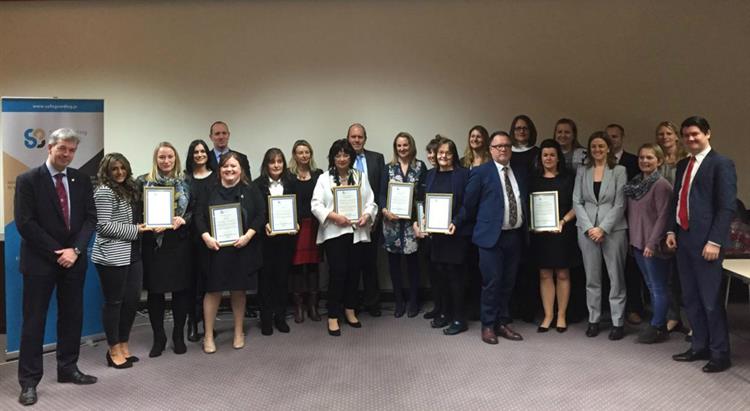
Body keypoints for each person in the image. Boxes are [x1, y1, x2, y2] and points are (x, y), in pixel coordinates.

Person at [15, 128, 97, 406]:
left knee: (72, 317)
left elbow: (90, 219)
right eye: (62, 148)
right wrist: (57, 252)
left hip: (74, 262)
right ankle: (28, 382)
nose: (67, 154)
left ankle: (68, 368)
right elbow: (25, 223)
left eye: (72, 150)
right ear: (49, 148)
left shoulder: (82, 179)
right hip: (40, 262)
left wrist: (74, 251)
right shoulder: (28, 180)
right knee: (34, 322)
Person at [666, 116, 736, 373]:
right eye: (686, 135)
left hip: (708, 244)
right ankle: (699, 346)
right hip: (683, 240)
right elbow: (677, 201)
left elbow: (727, 207)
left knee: (710, 300)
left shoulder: (722, 164)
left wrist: (715, 241)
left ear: (708, 134)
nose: (690, 138)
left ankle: (720, 353)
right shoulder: (684, 164)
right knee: (691, 298)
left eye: (695, 133)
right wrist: (670, 231)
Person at [455, 131, 528, 344]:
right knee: (492, 282)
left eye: (506, 145)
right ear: (491, 150)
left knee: (508, 282)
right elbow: (469, 204)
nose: (503, 149)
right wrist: (456, 222)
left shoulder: (520, 172)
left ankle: (503, 322)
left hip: (514, 236)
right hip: (490, 238)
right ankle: (488, 325)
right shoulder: (481, 172)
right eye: (498, 146)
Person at [195, 152, 265, 352]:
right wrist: (206, 237)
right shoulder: (209, 189)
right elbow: (199, 216)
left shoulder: (250, 190)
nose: (229, 170)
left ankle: (238, 331)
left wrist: (248, 236)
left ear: (240, 169)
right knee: (213, 291)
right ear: (220, 169)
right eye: (226, 166)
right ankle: (208, 335)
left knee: (238, 290)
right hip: (215, 249)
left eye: (234, 166)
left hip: (240, 247)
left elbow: (261, 215)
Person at [311, 139, 378, 336]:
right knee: (338, 272)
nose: (342, 159)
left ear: (351, 157)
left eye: (346, 155)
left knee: (353, 272)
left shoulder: (360, 176)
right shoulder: (324, 179)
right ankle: (333, 315)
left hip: (356, 232)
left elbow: (371, 202)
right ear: (332, 157)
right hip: (334, 232)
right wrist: (334, 216)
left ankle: (350, 309)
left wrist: (367, 215)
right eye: (338, 155)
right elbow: (316, 205)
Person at [92, 153, 149, 370]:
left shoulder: (130, 189)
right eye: (114, 169)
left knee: (132, 301)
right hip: (112, 256)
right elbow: (103, 226)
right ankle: (113, 349)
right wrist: (136, 230)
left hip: (133, 253)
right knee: (114, 303)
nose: (119, 172)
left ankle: (124, 343)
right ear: (106, 171)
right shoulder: (104, 191)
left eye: (123, 168)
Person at [136, 142, 193, 357]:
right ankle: (158, 337)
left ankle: (178, 335)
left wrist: (182, 219)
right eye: (162, 157)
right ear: (155, 159)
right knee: (155, 292)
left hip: (178, 243)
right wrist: (145, 223)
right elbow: (137, 211)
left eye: (170, 157)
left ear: (176, 158)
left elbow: (194, 211)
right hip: (154, 245)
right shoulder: (143, 181)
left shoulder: (186, 181)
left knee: (180, 291)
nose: (166, 161)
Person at [573, 132, 628, 340]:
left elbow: (620, 203)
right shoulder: (582, 171)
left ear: (608, 148)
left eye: (601, 146)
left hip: (613, 231)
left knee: (616, 278)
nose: (597, 150)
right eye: (594, 146)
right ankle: (593, 319)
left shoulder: (619, 170)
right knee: (592, 279)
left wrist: (603, 228)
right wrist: (589, 228)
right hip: (586, 231)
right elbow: (576, 201)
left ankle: (617, 322)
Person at [414, 137, 472, 335]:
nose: (443, 156)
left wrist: (457, 221)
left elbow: (468, 204)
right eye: (440, 153)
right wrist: (420, 223)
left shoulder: (463, 175)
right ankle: (445, 314)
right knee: (440, 277)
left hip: (456, 234)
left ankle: (459, 318)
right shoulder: (429, 175)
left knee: (456, 278)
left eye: (447, 152)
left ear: (453, 155)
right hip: (437, 236)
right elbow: (422, 202)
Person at [624, 144, 673, 343]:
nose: (644, 161)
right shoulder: (635, 183)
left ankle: (658, 326)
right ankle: (657, 321)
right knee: (650, 285)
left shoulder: (661, 185)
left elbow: (664, 217)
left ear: (659, 161)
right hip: (637, 243)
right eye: (642, 157)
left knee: (658, 287)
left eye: (650, 158)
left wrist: (651, 244)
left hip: (652, 246)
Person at [529, 139, 577, 333]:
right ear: (540, 158)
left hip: (563, 231)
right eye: (545, 155)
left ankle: (562, 315)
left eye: (552, 155)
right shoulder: (534, 179)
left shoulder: (568, 178)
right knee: (544, 274)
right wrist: (533, 224)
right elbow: (529, 206)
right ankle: (548, 315)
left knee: (563, 273)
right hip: (541, 234)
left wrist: (563, 221)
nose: (548, 158)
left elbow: (577, 205)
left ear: (558, 158)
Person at [380, 132, 427, 317]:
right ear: (395, 147)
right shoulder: (388, 168)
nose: (402, 149)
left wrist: (419, 219)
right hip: (391, 223)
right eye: (399, 146)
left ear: (411, 145)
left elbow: (423, 196)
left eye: (405, 145)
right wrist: (385, 210)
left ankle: (414, 301)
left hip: (411, 224)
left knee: (413, 264)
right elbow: (381, 194)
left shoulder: (420, 167)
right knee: (394, 264)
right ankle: (399, 301)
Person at [255, 148, 297, 335]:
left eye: (279, 161)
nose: (276, 165)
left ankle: (280, 317)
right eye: (272, 162)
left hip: (285, 240)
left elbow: (299, 208)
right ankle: (265, 319)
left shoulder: (291, 183)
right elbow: (255, 212)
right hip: (265, 240)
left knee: (282, 278)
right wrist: (264, 224)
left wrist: (295, 223)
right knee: (265, 280)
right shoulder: (256, 185)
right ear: (266, 165)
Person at [606, 123, 645, 326]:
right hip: (603, 223)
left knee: (630, 268)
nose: (612, 140)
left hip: (628, 220)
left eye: (615, 136)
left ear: (622, 138)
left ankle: (633, 308)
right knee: (607, 270)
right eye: (608, 137)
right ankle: (610, 309)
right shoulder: (598, 163)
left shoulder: (632, 161)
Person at [654, 121, 690, 335]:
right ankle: (673, 316)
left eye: (669, 133)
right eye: (661, 134)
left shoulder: (686, 161)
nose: (665, 137)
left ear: (676, 137)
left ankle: (692, 321)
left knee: (684, 275)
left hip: (682, 222)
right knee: (666, 275)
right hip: (660, 221)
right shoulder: (656, 160)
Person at [347, 123, 385, 316]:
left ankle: (373, 303)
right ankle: (352, 304)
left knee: (370, 264)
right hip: (347, 223)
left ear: (365, 138)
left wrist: (374, 217)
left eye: (360, 137)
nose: (356, 140)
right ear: (348, 139)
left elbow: (381, 191)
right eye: (353, 137)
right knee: (351, 265)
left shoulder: (376, 159)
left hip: (372, 221)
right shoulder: (341, 160)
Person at [509, 115, 541, 323]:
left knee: (532, 264)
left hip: (535, 213)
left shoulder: (538, 153)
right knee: (514, 265)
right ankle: (513, 308)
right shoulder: (507, 154)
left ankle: (531, 309)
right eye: (518, 128)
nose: (521, 131)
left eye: (525, 128)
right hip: (513, 215)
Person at [288, 140, 323, 323]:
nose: (304, 155)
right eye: (300, 152)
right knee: (296, 267)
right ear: (294, 155)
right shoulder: (288, 176)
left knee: (313, 266)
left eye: (307, 152)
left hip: (315, 226)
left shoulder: (319, 175)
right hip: (296, 228)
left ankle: (313, 306)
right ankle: (299, 307)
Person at [184, 139, 215, 342]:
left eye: (203, 151)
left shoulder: (217, 176)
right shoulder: (185, 179)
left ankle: (207, 322)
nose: (200, 155)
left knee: (208, 280)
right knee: (191, 281)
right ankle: (192, 322)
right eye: (196, 152)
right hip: (189, 237)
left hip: (212, 236)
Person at [458, 125, 490, 322]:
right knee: (467, 266)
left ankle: (482, 308)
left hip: (484, 220)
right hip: (465, 220)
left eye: (479, 136)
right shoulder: (463, 162)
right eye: (472, 136)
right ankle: (468, 308)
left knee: (483, 267)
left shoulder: (490, 163)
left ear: (485, 140)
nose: (475, 139)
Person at [422, 136, 443, 320]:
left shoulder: (451, 174)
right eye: (428, 152)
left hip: (446, 233)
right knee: (433, 271)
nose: (430, 155)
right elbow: (422, 201)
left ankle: (446, 309)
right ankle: (438, 307)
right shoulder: (428, 174)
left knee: (445, 273)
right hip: (430, 233)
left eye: (433, 152)